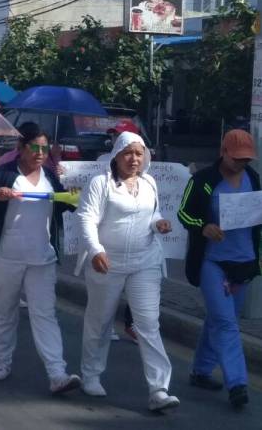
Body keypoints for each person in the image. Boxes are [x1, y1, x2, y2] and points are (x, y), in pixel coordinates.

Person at [0, 123, 81, 396]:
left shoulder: (51, 178)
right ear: (21, 148)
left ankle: (57, 374)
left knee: (44, 314)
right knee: (5, 310)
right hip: (7, 257)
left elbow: (65, 204)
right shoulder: (3, 174)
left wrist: (73, 194)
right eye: (34, 147)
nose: (40, 153)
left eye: (44, 148)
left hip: (42, 258)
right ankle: (2, 363)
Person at [77, 131, 179, 411]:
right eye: (128, 153)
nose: (134, 159)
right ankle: (91, 375)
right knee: (100, 321)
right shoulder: (101, 183)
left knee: (148, 324)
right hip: (107, 262)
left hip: (144, 262)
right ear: (117, 155)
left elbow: (152, 213)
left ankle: (159, 389)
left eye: (139, 153)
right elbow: (86, 217)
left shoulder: (149, 183)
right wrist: (96, 250)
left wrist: (159, 223)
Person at [178, 129, 259, 409]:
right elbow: (183, 212)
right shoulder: (203, 181)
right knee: (226, 323)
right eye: (237, 158)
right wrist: (204, 226)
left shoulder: (254, 179)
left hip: (244, 262)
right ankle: (237, 383)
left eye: (246, 159)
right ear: (223, 152)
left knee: (217, 319)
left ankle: (201, 371)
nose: (241, 164)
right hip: (212, 262)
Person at [97, 123, 141, 344]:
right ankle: (105, 327)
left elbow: (152, 207)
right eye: (114, 136)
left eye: (120, 135)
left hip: (138, 254)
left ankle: (132, 324)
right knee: (107, 295)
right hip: (109, 248)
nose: (133, 158)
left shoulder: (146, 174)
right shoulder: (102, 164)